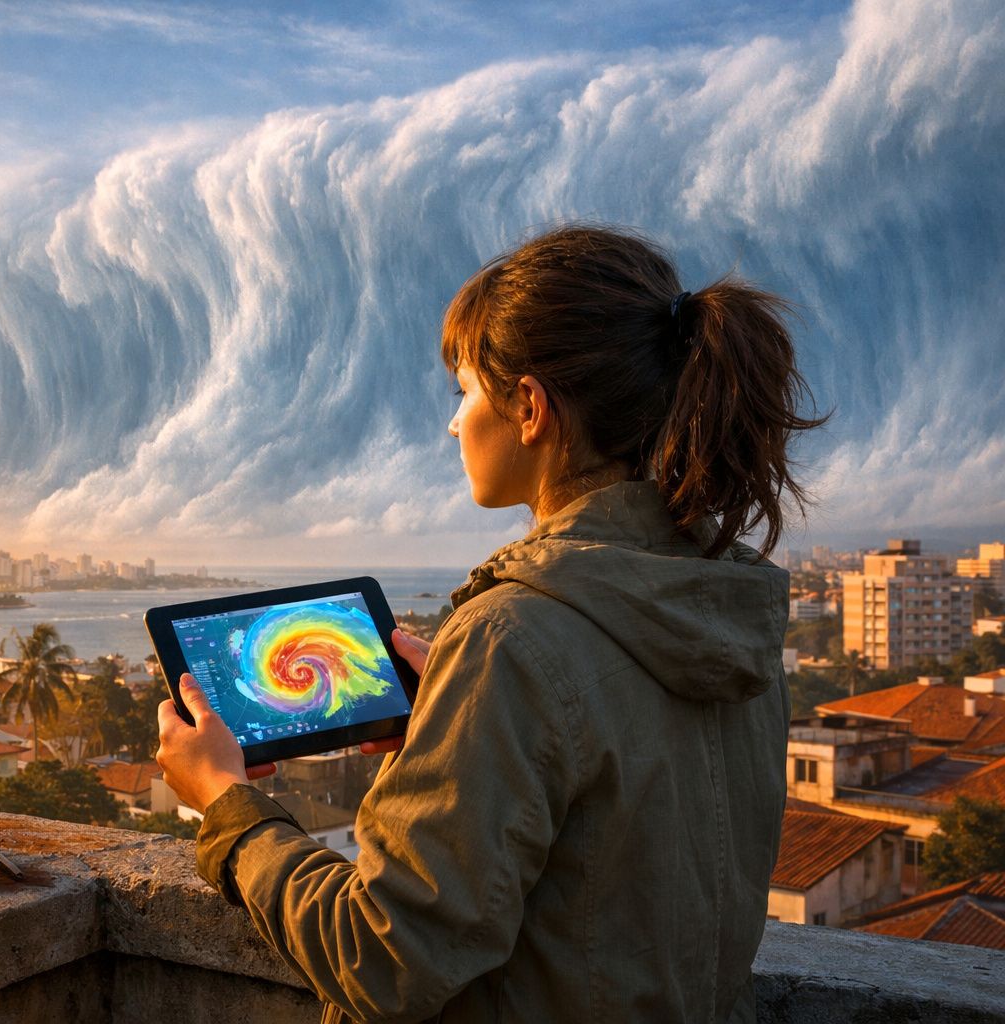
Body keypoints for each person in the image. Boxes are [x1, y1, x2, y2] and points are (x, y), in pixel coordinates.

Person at [155, 225, 826, 1023]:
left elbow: (386, 958)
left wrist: (227, 806)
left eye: (463, 392)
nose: (453, 424)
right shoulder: (726, 611)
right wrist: (454, 728)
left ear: (531, 407)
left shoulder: (515, 637)